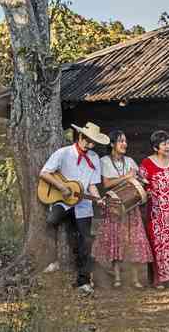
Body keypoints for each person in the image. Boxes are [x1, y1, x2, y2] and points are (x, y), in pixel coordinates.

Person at [40, 122, 109, 296]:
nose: (91, 145)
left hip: (83, 204)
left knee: (85, 240)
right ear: (80, 137)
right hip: (63, 200)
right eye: (88, 141)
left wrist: (98, 199)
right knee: (51, 221)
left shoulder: (94, 158)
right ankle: (52, 259)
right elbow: (44, 173)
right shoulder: (63, 153)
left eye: (94, 143)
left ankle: (83, 281)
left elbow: (92, 185)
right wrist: (61, 187)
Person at [92, 130, 153, 288]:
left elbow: (139, 180)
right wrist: (127, 176)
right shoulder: (104, 161)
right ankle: (118, 278)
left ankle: (135, 279)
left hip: (131, 207)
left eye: (125, 141)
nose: (124, 144)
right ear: (112, 144)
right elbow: (106, 184)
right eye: (121, 141)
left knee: (134, 240)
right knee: (116, 240)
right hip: (114, 206)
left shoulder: (130, 161)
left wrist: (143, 183)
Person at [139, 130, 169, 289]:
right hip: (156, 210)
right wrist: (149, 192)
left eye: (168, 143)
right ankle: (157, 279)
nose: (168, 146)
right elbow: (140, 186)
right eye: (164, 144)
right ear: (155, 147)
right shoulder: (146, 163)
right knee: (157, 243)